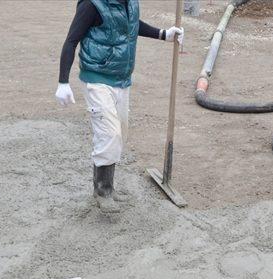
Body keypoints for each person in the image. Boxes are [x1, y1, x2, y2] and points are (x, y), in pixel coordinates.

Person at [55, 0, 183, 213]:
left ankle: (107, 188)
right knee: (109, 134)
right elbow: (71, 40)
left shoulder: (129, 2)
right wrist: (63, 81)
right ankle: (102, 191)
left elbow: (131, 24)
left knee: (120, 133)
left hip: (122, 79)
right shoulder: (91, 5)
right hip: (97, 78)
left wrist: (163, 34)